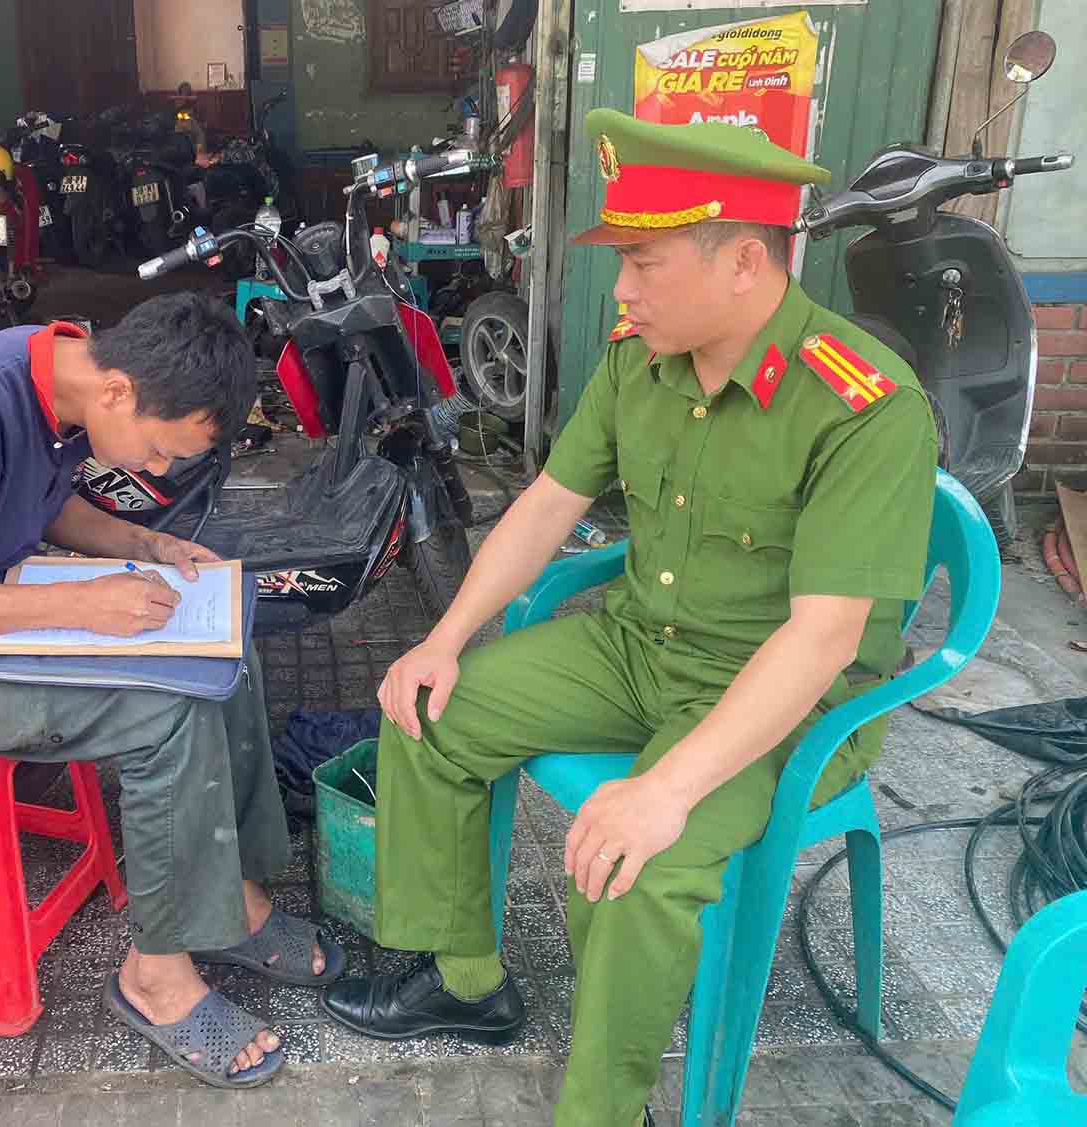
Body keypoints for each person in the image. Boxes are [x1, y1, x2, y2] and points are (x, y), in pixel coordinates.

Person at [321, 110, 938, 1126]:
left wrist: (665, 788)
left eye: (644, 262)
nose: (621, 290)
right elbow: (545, 505)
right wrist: (443, 639)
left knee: (630, 864)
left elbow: (822, 636)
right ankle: (466, 982)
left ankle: (604, 1109)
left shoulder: (862, 404)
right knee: (425, 709)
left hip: (786, 698)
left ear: (744, 262)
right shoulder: (639, 360)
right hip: (638, 646)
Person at [0, 293, 345, 1088]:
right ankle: (155, 977)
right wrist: (75, 603)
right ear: (118, 391)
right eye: (158, 451)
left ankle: (229, 900)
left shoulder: (63, 374)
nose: (155, 471)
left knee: (229, 660)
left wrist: (146, 543)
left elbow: (46, 502)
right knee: (166, 713)